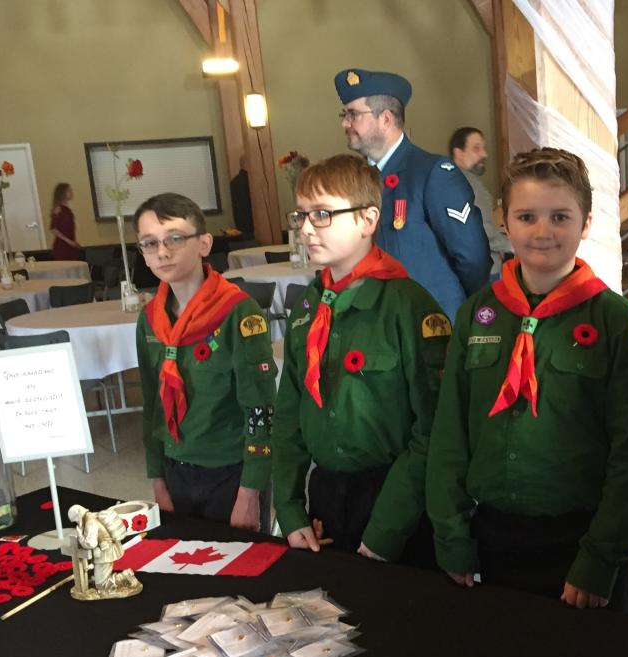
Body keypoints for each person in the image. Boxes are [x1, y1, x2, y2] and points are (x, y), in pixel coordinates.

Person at [427, 148, 628, 614]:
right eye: (527, 216)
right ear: (503, 221)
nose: (543, 232)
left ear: (585, 223)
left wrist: (601, 555)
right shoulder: (478, 315)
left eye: (560, 217)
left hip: (584, 540)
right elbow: (449, 433)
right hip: (493, 539)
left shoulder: (618, 324)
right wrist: (451, 536)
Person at [271, 154, 448, 567]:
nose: (307, 229)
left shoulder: (408, 307)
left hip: (396, 498)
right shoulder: (309, 306)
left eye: (323, 214)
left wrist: (385, 530)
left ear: (368, 220)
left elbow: (433, 431)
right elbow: (289, 417)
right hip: (327, 496)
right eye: (301, 216)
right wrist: (290, 508)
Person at [134, 192, 278, 532]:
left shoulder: (238, 312)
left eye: (175, 239)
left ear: (204, 244)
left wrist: (250, 492)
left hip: (231, 474)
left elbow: (261, 408)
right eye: (149, 243)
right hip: (175, 471)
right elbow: (152, 403)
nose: (163, 252)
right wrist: (157, 478)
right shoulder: (150, 319)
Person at [334, 68, 490, 318]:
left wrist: (456, 308)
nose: (345, 122)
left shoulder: (431, 172)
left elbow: (473, 259)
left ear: (385, 119)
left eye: (353, 114)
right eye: (344, 114)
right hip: (380, 323)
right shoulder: (359, 180)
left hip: (430, 323)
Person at [449, 127, 512, 276]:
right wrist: (513, 246)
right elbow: (481, 231)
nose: (485, 154)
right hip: (486, 271)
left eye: (483, 148)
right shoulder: (469, 185)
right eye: (476, 148)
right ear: (458, 153)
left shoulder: (449, 180)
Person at [49, 182, 82, 260]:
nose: (71, 192)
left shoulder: (67, 209)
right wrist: (69, 241)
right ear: (62, 193)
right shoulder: (59, 209)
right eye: (69, 191)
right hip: (62, 247)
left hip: (70, 245)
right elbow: (53, 229)